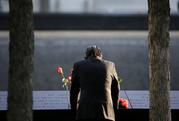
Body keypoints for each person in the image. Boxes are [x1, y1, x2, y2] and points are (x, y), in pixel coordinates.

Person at [70, 45, 120, 121]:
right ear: (101, 55)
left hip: (84, 113)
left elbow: (74, 91)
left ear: (86, 56)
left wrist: (74, 111)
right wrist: (114, 110)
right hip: (106, 113)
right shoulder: (110, 65)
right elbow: (116, 90)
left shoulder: (78, 65)